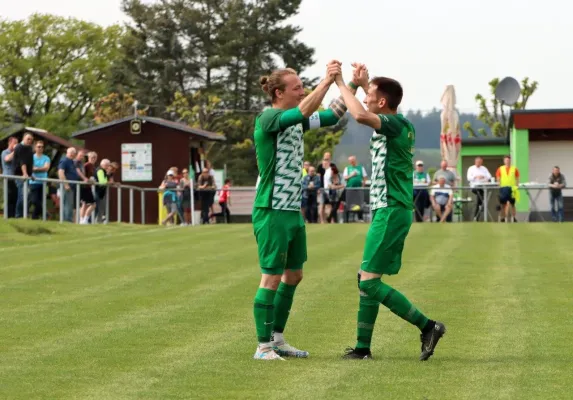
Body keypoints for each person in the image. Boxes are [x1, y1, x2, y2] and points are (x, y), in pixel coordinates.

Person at [335, 63, 446, 361]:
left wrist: (342, 83)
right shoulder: (398, 122)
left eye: (370, 93)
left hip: (391, 210)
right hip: (390, 210)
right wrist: (363, 83)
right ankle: (362, 348)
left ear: (382, 102)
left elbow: (359, 114)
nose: (367, 96)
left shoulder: (393, 124)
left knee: (369, 281)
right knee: (365, 276)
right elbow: (375, 104)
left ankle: (428, 326)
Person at [251, 60, 359, 361]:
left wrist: (352, 84)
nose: (302, 91)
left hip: (290, 211)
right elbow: (303, 110)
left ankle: (277, 338)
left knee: (294, 275)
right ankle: (263, 347)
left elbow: (335, 114)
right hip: (271, 209)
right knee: (270, 277)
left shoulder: (294, 119)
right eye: (297, 87)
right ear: (277, 92)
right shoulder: (269, 117)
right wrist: (325, 81)